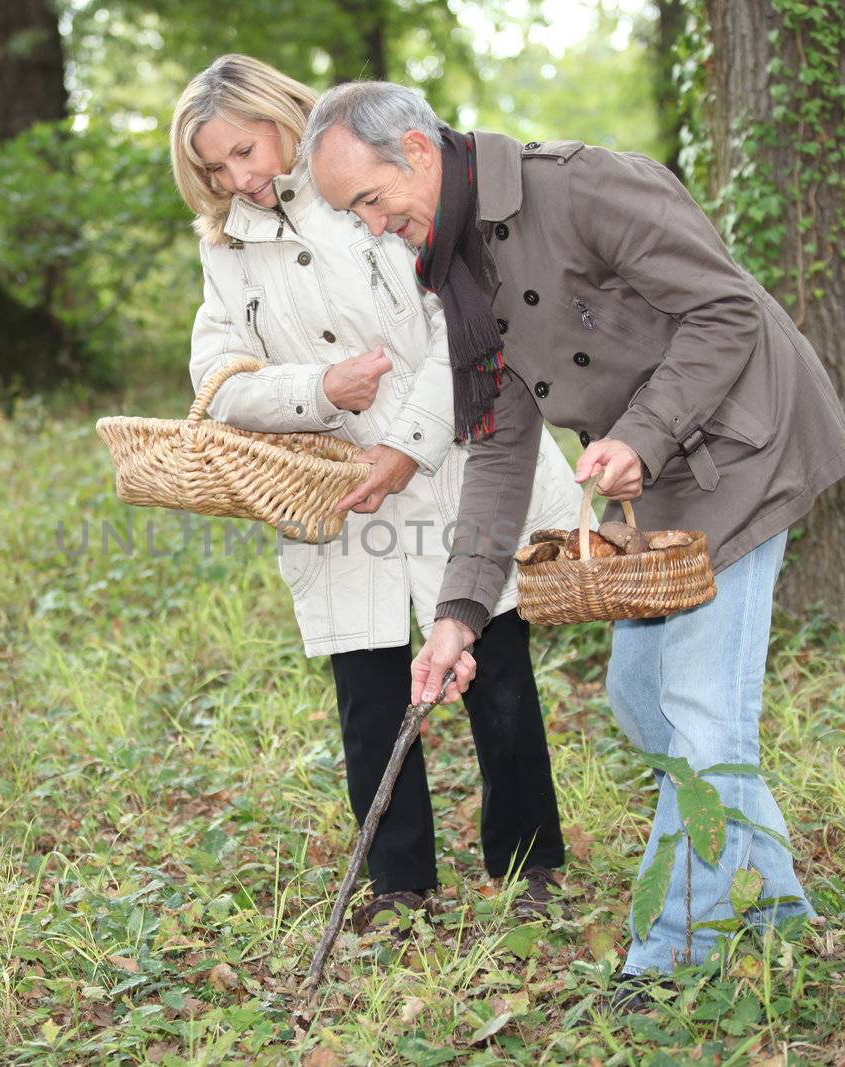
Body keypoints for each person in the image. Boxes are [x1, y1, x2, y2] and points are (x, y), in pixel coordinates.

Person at [301, 82, 845, 996]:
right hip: (660, 477)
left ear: (418, 149)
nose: (370, 226)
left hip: (749, 442)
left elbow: (729, 312)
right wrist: (457, 615)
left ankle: (676, 949)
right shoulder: (460, 269)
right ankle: (776, 901)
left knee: (703, 710)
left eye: (369, 199)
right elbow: (500, 446)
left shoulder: (588, 187)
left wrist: (642, 435)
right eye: (351, 213)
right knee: (645, 701)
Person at [170, 56, 584, 928]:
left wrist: (405, 443)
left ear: (281, 118)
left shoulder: (369, 192)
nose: (240, 177)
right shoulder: (227, 252)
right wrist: (319, 390)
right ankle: (399, 885)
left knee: (495, 664)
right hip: (336, 495)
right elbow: (215, 380)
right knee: (367, 686)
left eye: (246, 149)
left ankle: (530, 862)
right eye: (217, 167)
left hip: (452, 463)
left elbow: (461, 325)